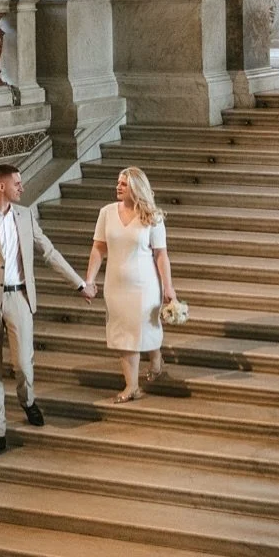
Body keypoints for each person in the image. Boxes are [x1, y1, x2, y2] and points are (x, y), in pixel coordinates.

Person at [0, 162, 93, 458]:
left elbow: (49, 251)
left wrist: (79, 284)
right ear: (1, 186)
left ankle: (27, 400)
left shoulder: (25, 215)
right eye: (17, 183)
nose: (22, 187)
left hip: (20, 297)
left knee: (23, 363)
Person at [83, 166, 178, 402]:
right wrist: (90, 280)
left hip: (144, 286)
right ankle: (132, 386)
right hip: (115, 285)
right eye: (118, 182)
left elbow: (161, 255)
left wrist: (168, 287)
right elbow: (98, 249)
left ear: (136, 188)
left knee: (144, 329)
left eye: (123, 184)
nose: (118, 186)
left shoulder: (152, 216)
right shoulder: (106, 212)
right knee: (124, 335)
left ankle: (155, 361)